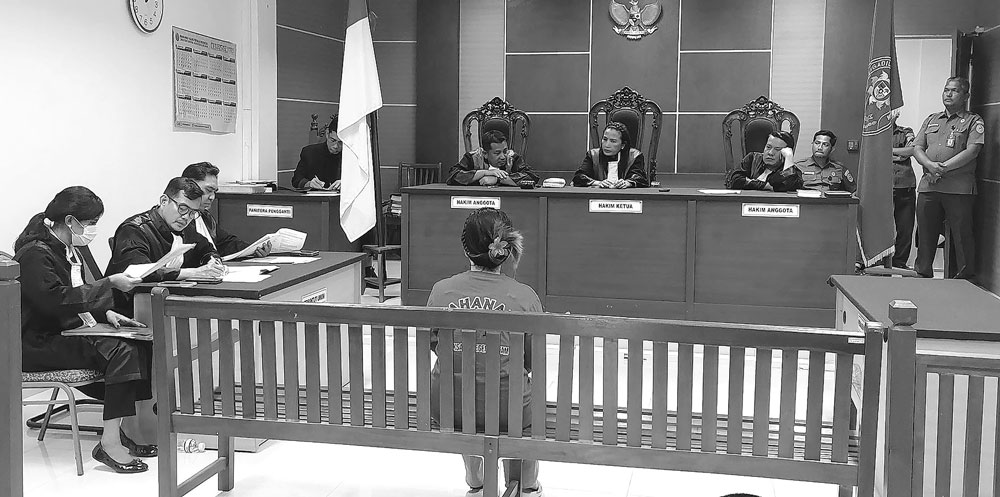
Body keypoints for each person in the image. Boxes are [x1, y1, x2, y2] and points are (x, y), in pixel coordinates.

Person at [14, 187, 155, 473]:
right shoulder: (35, 254)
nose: (92, 230)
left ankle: (123, 430)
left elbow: (75, 294)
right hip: (35, 343)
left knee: (139, 344)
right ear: (70, 221)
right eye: (90, 223)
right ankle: (109, 443)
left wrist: (107, 314)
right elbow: (55, 301)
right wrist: (109, 283)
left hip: (62, 334)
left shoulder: (66, 249)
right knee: (120, 351)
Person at [427, 208, 542, 497]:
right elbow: (532, 360)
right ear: (507, 249)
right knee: (520, 402)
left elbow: (434, 343)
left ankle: (476, 481)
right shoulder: (525, 297)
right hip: (509, 411)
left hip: (448, 409)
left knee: (462, 387)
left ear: (466, 249)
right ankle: (525, 486)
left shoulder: (441, 292)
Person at [106, 177, 226, 314]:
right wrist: (194, 273)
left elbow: (206, 249)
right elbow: (140, 272)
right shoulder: (134, 229)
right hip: (129, 309)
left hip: (169, 303)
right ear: (164, 201)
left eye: (193, 213)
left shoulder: (185, 227)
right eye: (182, 208)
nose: (186, 217)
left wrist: (213, 262)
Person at [912, 76, 985, 279]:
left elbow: (972, 151)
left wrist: (941, 169)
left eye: (954, 91)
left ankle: (965, 277)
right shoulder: (932, 119)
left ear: (966, 96)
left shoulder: (973, 121)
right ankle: (922, 273)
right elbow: (917, 147)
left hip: (958, 188)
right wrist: (929, 165)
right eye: (946, 90)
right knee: (925, 234)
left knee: (962, 235)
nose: (948, 94)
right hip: (929, 187)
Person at [181, 161, 271, 258]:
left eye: (214, 192)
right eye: (208, 190)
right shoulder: (178, 220)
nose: (212, 197)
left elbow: (226, 243)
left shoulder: (205, 217)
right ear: (189, 187)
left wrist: (254, 249)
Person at [448, 130, 539, 186]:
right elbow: (453, 176)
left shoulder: (512, 158)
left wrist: (497, 179)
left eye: (504, 151)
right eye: (497, 153)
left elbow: (532, 177)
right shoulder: (472, 158)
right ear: (485, 153)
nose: (503, 157)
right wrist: (485, 173)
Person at [573, 121, 648, 188]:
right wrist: (598, 183)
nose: (607, 145)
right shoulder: (593, 155)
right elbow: (579, 177)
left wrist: (627, 183)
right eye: (605, 139)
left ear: (623, 145)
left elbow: (640, 178)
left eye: (613, 141)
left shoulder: (634, 156)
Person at [725, 131, 803, 191]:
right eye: (768, 147)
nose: (770, 153)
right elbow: (735, 180)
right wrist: (766, 186)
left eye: (777, 149)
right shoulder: (752, 158)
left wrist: (789, 158)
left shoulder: (794, 172)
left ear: (785, 152)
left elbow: (787, 187)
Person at [890, 110, 917, 269]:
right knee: (881, 227)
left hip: (905, 186)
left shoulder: (906, 132)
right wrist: (900, 155)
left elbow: (911, 150)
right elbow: (875, 154)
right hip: (882, 186)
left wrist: (888, 151)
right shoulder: (875, 135)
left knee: (905, 228)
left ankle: (899, 262)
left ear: (897, 114)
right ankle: (880, 262)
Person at [291, 115, 342, 191]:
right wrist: (309, 183)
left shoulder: (352, 156)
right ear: (327, 134)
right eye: (333, 140)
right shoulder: (310, 153)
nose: (336, 146)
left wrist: (346, 183)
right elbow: (296, 180)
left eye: (341, 142)